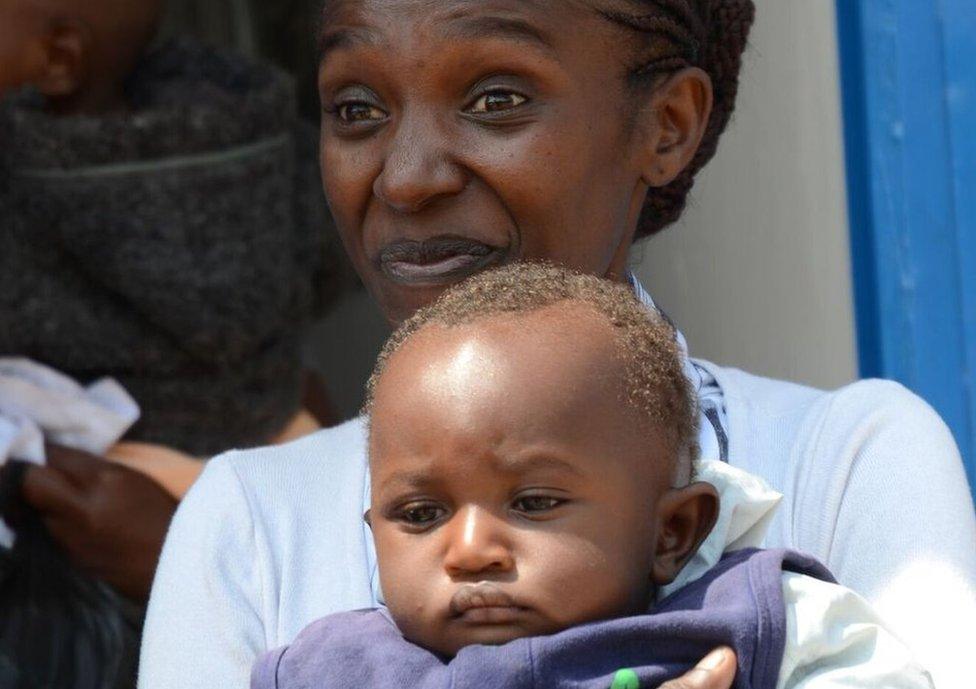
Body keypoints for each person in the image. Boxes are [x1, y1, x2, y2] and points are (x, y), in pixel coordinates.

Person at [140, 1, 976, 688]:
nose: (406, 176)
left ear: (668, 125)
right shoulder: (251, 521)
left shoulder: (843, 464)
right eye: (356, 109)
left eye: (496, 98)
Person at [252, 263, 932, 689]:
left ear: (672, 529)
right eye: (421, 514)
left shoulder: (750, 619)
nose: (469, 550)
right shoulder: (332, 667)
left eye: (534, 501)